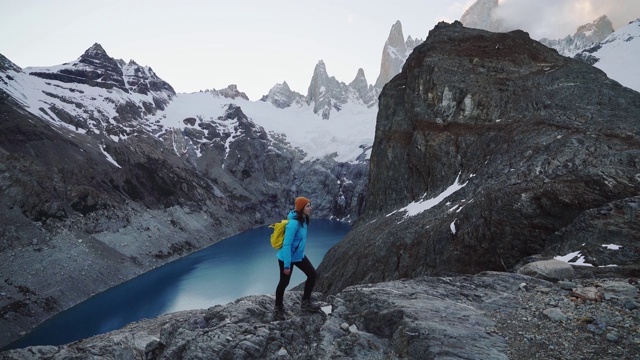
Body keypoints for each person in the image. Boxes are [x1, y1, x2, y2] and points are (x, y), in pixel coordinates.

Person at [273, 196, 321, 320]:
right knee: (284, 282)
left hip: (298, 256)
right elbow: (287, 245)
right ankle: (278, 308)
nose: (310, 208)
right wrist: (287, 266)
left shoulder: (304, 220)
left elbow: (298, 241)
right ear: (301, 208)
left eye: (310, 205)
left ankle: (305, 303)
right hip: (286, 258)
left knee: (312, 274)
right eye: (307, 206)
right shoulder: (293, 224)